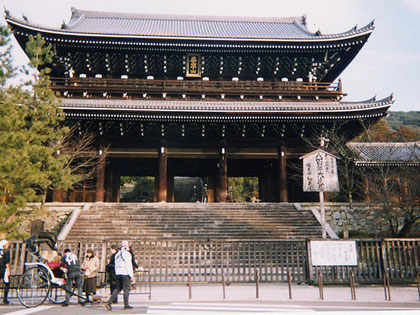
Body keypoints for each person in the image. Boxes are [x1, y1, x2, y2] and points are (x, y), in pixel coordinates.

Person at [105, 240, 134, 311]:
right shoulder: (127, 254)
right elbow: (128, 265)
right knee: (126, 289)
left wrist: (117, 272)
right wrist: (131, 275)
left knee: (118, 288)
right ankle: (126, 305)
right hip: (125, 273)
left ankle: (109, 302)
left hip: (118, 272)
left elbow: (116, 264)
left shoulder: (117, 254)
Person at [0, 240, 10, 305]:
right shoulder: (6, 251)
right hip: (3, 269)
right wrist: (9, 270)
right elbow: (7, 262)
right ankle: (5, 299)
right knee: (7, 284)